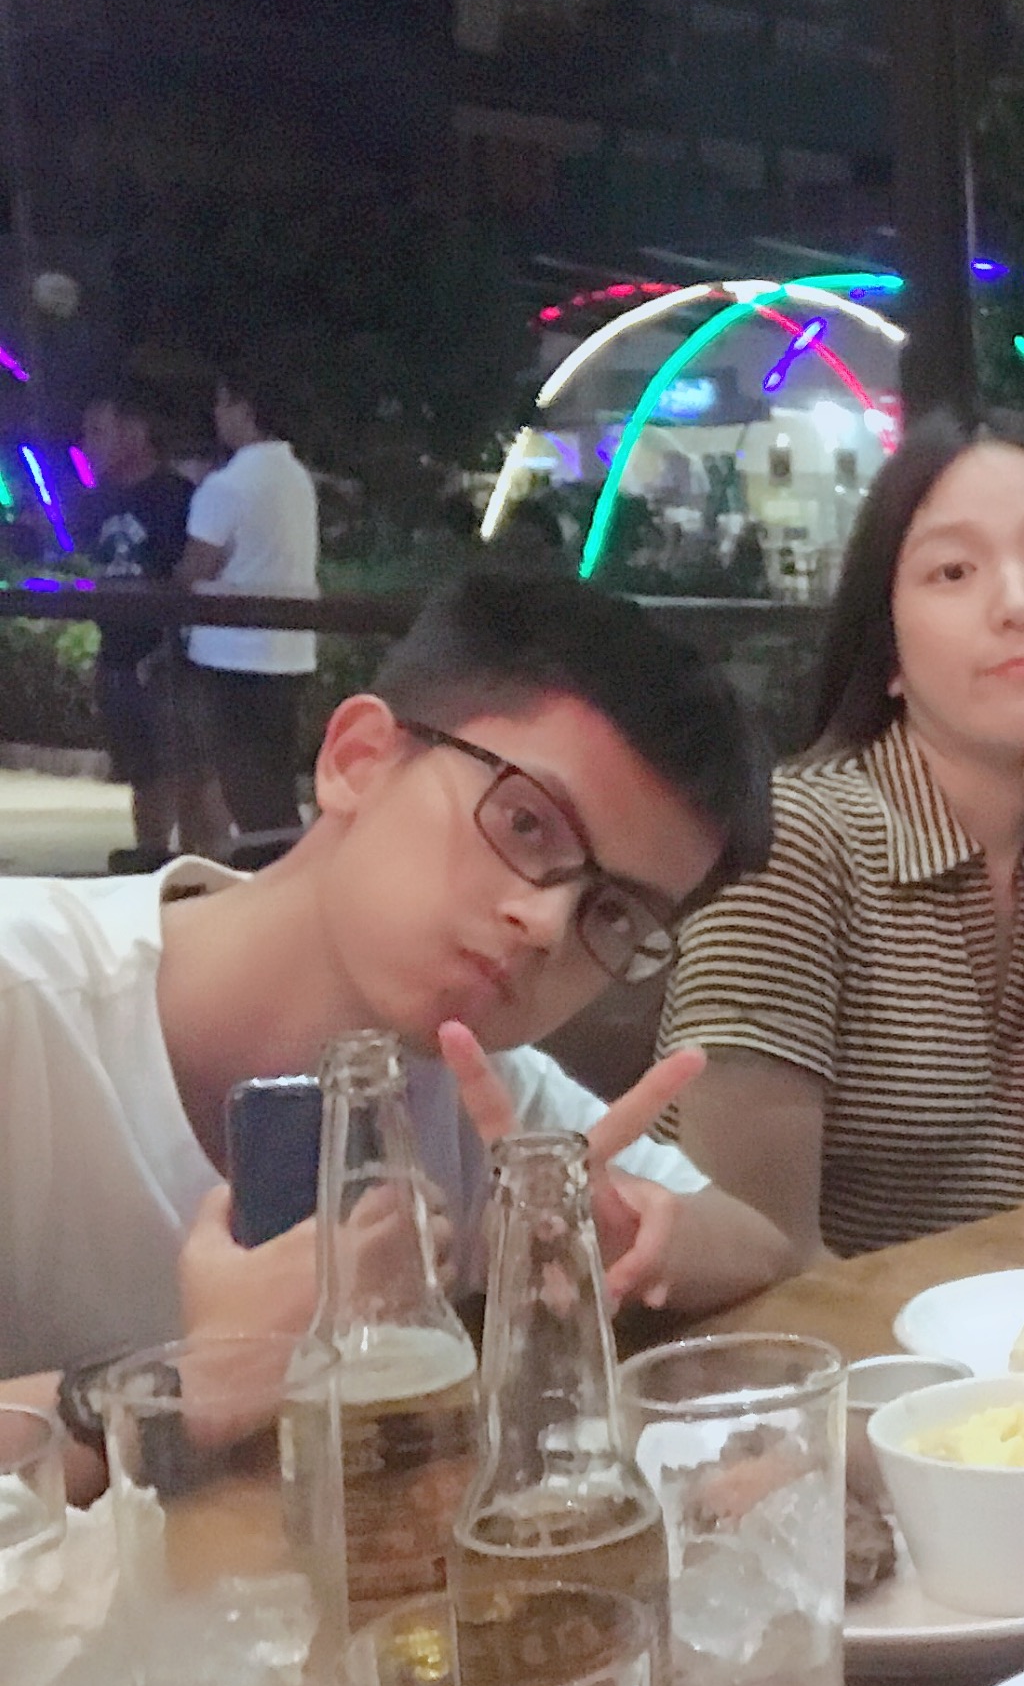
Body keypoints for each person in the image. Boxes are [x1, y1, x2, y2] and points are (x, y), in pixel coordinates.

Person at [0, 568, 801, 1496]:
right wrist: (194, 1383)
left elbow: (756, 1241)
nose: (548, 923)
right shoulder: (26, 1005)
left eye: (613, 913)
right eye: (526, 824)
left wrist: (622, 1234)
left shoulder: (475, 1087)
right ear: (357, 760)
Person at [660, 409, 1024, 1264]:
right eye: (954, 571)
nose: (1020, 604)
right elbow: (759, 1263)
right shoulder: (793, 845)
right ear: (888, 654)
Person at [176, 368, 321, 854]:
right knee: (275, 780)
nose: (217, 415)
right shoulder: (296, 478)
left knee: (242, 781)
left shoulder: (228, 485)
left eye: (223, 403)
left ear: (245, 407)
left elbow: (196, 569)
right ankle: (287, 863)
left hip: (231, 654)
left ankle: (267, 867)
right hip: (291, 651)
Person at [71, 384, 193, 868]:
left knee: (183, 771)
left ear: (135, 432)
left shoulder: (177, 498)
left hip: (165, 657)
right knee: (142, 772)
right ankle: (151, 862)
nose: (87, 444)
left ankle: (188, 866)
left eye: (98, 431)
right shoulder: (95, 502)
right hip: (117, 653)